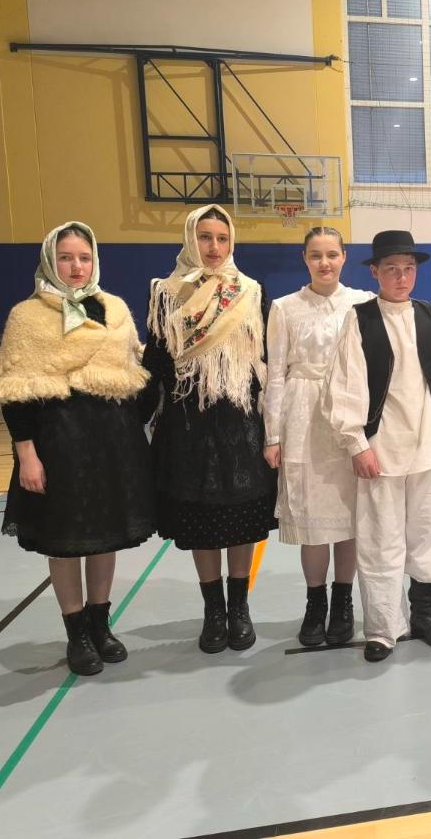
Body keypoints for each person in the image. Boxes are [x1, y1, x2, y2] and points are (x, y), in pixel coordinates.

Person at [0, 222, 155, 675]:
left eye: (84, 257)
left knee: (105, 537)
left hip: (111, 441)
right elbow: (15, 391)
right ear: (50, 261)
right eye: (66, 258)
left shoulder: (114, 309)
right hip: (58, 442)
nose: (76, 267)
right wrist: (26, 454)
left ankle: (100, 625)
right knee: (66, 541)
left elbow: (133, 378)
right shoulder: (26, 316)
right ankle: (76, 633)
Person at [324, 230, 431, 663]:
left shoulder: (430, 316)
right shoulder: (359, 320)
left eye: (408, 268)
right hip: (381, 451)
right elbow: (343, 387)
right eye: (391, 268)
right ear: (375, 272)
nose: (401, 277)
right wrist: (357, 443)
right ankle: (382, 627)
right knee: (380, 542)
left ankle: (424, 615)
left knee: (430, 534)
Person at [142, 205, 277, 654]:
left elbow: (266, 362)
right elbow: (156, 363)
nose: (214, 247)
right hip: (187, 422)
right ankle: (213, 610)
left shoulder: (251, 292)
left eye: (222, 238)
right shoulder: (165, 294)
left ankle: (239, 608)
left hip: (240, 421)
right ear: (189, 239)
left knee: (241, 519)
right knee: (202, 522)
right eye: (205, 237)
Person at [263, 227, 374, 646]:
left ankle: (343, 601)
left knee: (348, 518)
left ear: (344, 257)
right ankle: (315, 603)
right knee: (311, 521)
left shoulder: (363, 302)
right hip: (303, 417)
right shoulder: (284, 308)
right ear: (304, 259)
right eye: (315, 255)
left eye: (331, 254)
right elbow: (275, 375)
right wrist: (272, 435)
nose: (324, 263)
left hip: (349, 414)